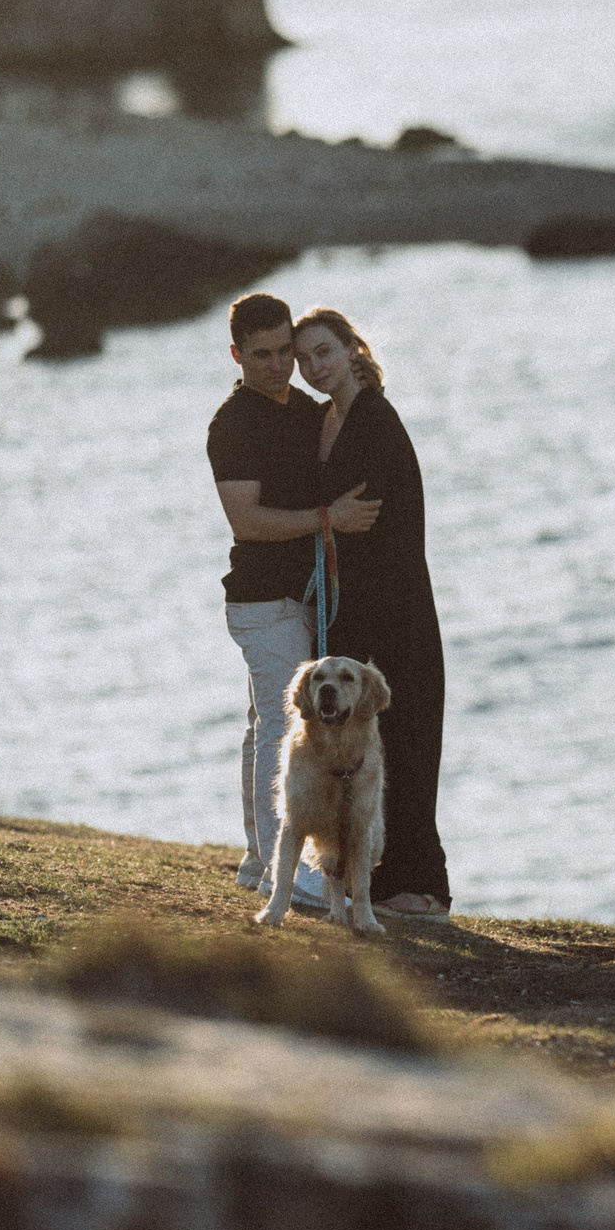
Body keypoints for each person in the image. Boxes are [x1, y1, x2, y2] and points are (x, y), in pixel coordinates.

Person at [207, 293, 381, 912]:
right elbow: (246, 520)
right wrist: (328, 519)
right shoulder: (232, 424)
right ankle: (286, 873)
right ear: (236, 354)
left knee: (264, 725)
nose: (279, 366)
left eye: (286, 351)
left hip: (302, 597)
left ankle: (259, 860)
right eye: (262, 355)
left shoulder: (302, 410)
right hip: (262, 602)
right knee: (284, 728)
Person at [294, 307, 453, 921]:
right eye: (305, 359)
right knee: (372, 749)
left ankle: (422, 888)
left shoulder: (373, 420)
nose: (314, 367)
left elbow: (377, 527)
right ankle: (381, 881)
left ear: (353, 348)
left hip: (397, 610)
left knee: (405, 744)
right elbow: (337, 520)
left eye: (324, 352)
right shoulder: (330, 418)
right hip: (360, 608)